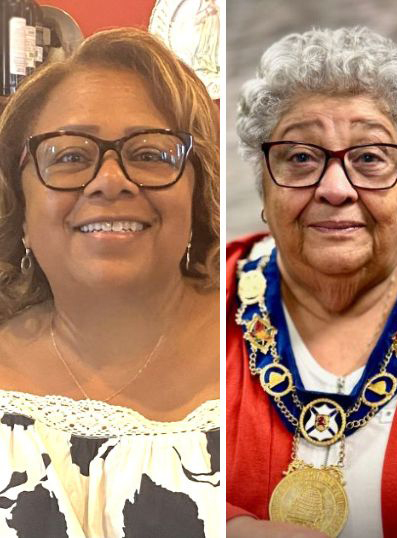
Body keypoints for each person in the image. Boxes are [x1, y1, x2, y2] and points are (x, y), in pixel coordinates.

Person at [0, 28, 221, 537]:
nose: (111, 180)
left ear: (197, 192)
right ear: (23, 209)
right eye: (70, 156)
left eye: (149, 154)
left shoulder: (260, 347)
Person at [226, 27, 397, 538]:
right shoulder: (199, 302)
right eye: (301, 157)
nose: (335, 188)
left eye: (369, 157)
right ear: (263, 176)